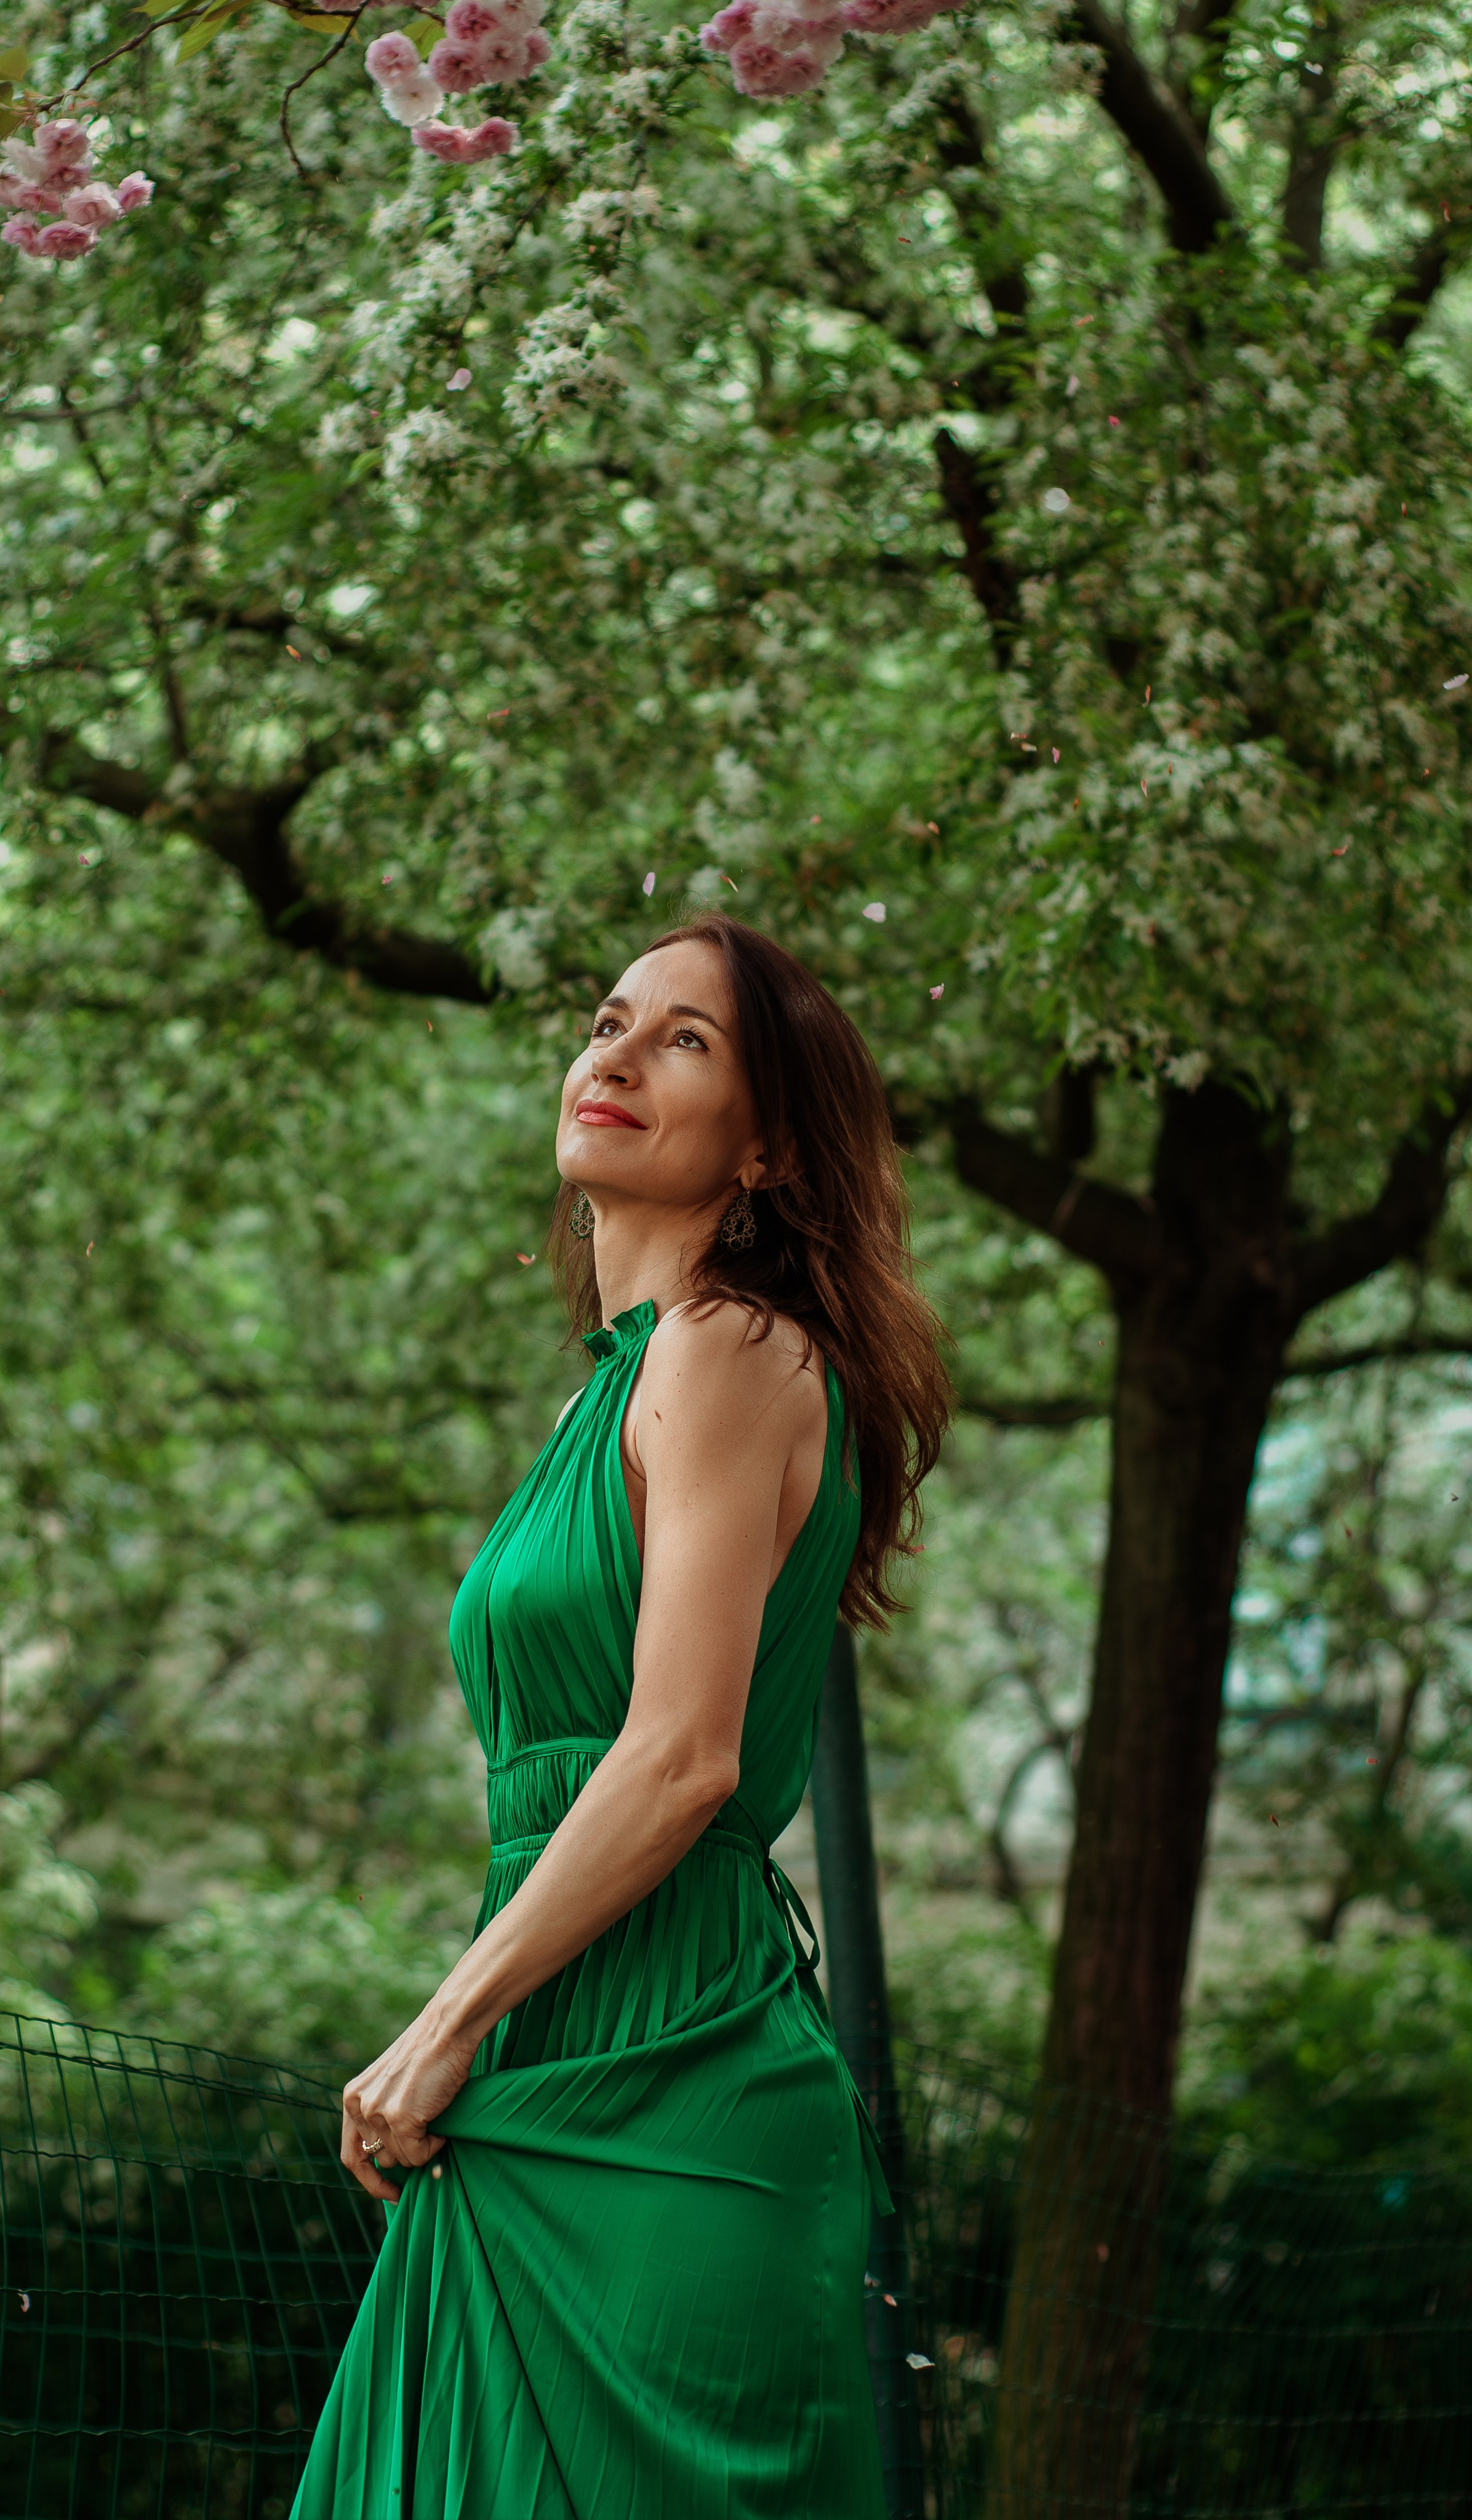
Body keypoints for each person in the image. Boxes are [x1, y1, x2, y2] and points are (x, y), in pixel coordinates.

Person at [290, 915, 950, 2519]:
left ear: (769, 1143)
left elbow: (678, 1758)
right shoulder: (617, 1382)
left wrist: (439, 2023)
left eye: (685, 1040)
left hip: (674, 2079)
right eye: (606, 1019)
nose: (614, 1052)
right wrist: (481, 2023)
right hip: (550, 2044)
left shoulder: (728, 1349)